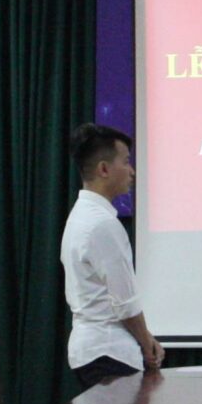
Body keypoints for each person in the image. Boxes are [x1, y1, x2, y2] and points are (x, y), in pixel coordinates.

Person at [61, 123, 160, 387]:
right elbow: (125, 302)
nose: (132, 171)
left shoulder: (81, 216)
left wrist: (145, 338)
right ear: (104, 169)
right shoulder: (102, 224)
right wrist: (146, 343)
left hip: (94, 350)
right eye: (126, 162)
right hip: (108, 351)